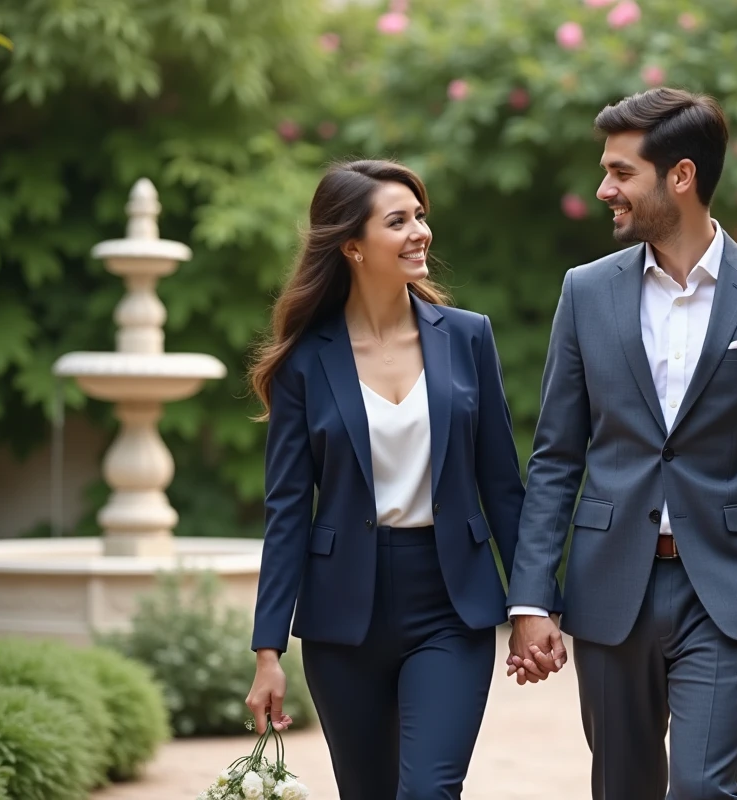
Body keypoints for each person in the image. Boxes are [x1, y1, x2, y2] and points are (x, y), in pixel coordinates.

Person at [505, 87, 737, 800]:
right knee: (623, 788)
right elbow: (557, 455)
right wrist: (532, 597)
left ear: (680, 176)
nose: (605, 189)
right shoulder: (586, 291)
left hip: (723, 585)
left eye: (622, 172)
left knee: (701, 789)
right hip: (609, 584)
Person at [245, 159, 525, 799]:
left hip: (450, 604)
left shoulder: (467, 337)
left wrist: (533, 602)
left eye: (420, 216)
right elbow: (287, 511)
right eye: (398, 221)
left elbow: (502, 485)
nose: (420, 231)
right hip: (343, 616)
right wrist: (268, 651)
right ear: (351, 245)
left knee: (429, 791)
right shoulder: (302, 363)